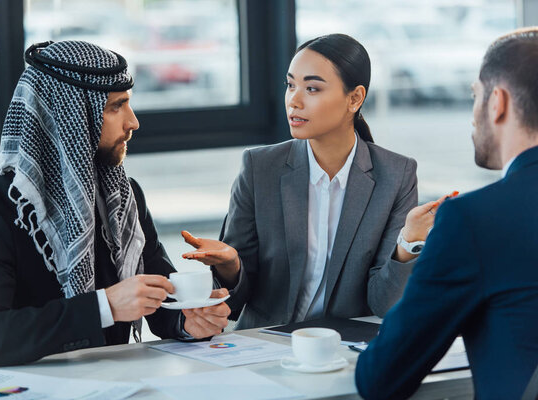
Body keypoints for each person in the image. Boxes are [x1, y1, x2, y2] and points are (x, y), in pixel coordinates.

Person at [0, 40, 230, 368]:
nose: (133, 122)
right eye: (116, 106)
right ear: (69, 116)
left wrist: (188, 322)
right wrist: (105, 306)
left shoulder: (125, 196)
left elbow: (160, 303)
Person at [181, 34, 451, 329]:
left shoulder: (396, 174)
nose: (294, 100)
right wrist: (232, 265)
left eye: (311, 88)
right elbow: (234, 302)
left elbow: (385, 304)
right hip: (265, 343)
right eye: (290, 85)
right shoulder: (259, 168)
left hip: (343, 345)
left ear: (355, 98)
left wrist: (409, 243)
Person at [355, 27, 538, 400]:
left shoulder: (475, 219)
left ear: (497, 102)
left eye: (475, 96)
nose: (472, 116)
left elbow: (381, 379)